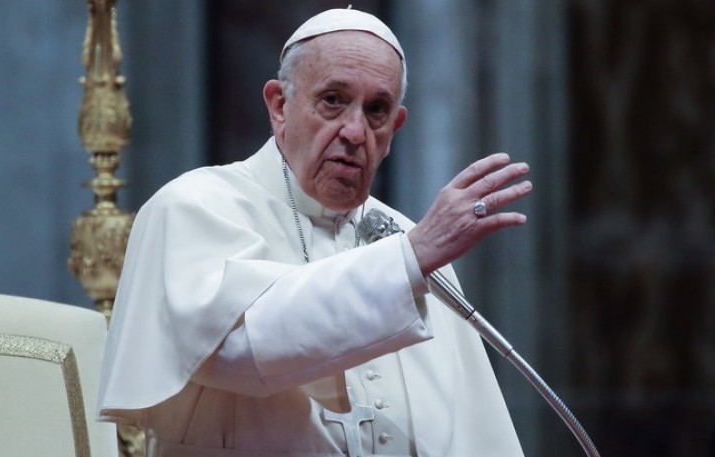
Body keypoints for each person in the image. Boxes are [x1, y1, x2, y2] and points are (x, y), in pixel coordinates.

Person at [97, 7, 532, 457]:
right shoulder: (193, 206)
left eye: (377, 110)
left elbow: (476, 432)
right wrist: (408, 260)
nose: (354, 131)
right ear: (280, 106)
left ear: (395, 128)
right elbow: (240, 349)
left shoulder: (402, 236)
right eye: (332, 100)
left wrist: (412, 253)